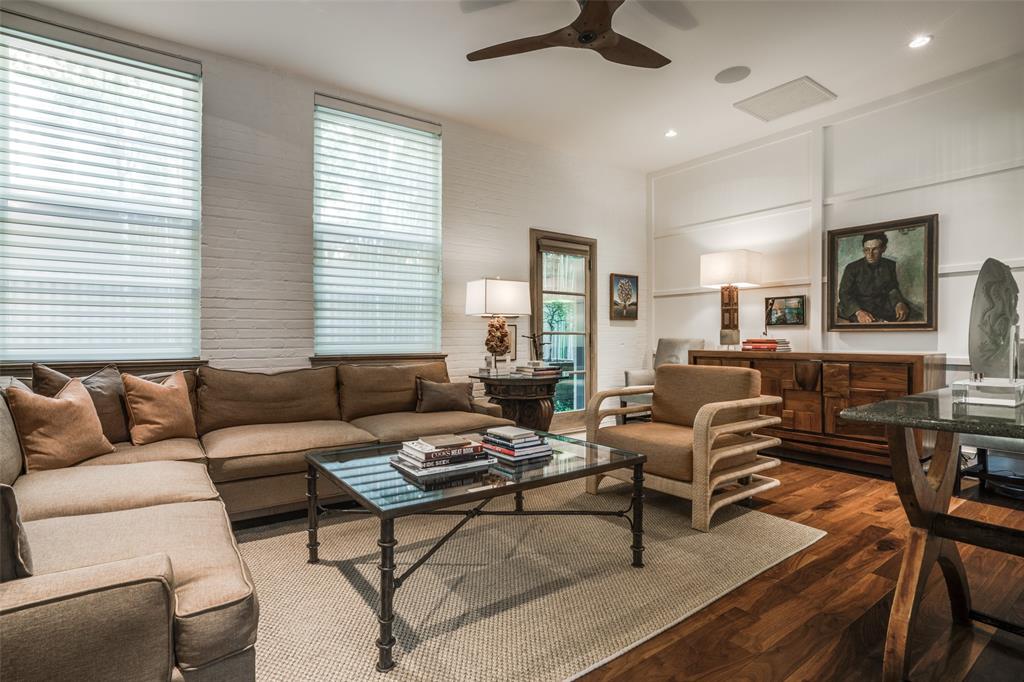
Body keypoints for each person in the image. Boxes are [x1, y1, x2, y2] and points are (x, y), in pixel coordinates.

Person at [837, 232, 914, 323]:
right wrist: (858, 312)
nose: (870, 254)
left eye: (875, 249)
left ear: (883, 249)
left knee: (908, 314)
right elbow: (844, 294)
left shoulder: (889, 265)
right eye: (866, 250)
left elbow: (892, 288)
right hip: (858, 308)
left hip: (882, 307)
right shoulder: (852, 268)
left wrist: (899, 303)